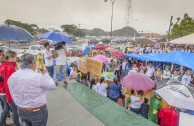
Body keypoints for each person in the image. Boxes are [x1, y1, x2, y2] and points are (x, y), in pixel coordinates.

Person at [8, 53, 56, 126]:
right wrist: (46, 74)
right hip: (36, 111)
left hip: (20, 110)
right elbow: (52, 86)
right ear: (33, 64)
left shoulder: (12, 76)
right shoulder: (37, 77)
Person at [0, 51, 20, 126]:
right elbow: (9, 83)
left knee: (6, 108)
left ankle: (2, 123)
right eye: (15, 57)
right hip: (7, 92)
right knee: (15, 110)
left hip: (2, 92)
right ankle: (16, 124)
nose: (16, 58)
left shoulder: (2, 65)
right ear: (11, 58)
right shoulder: (10, 67)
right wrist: (10, 97)